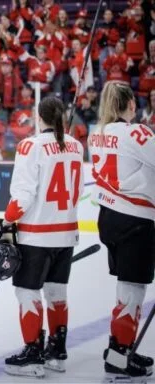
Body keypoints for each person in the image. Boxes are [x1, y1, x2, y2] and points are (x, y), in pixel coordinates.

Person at [0, 97, 83, 377]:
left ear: (38, 116)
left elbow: (22, 197)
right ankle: (57, 352)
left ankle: (32, 353)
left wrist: (6, 221)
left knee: (27, 292)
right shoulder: (76, 146)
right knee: (57, 293)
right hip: (66, 234)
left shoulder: (30, 145)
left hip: (36, 236)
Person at [88, 81, 155, 381]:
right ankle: (118, 356)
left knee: (126, 288)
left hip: (109, 218)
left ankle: (122, 347)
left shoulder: (98, 133)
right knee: (132, 290)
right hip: (135, 220)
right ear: (130, 105)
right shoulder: (135, 132)